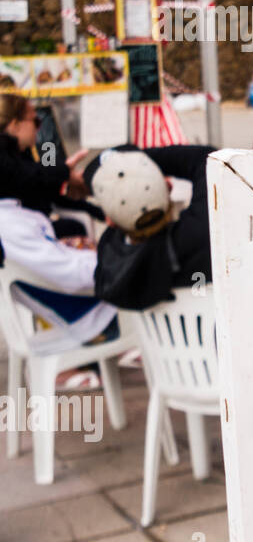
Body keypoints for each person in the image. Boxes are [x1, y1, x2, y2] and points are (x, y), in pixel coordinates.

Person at [83, 144, 216, 311]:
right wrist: (137, 158)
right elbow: (209, 160)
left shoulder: (111, 265)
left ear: (110, 221)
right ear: (169, 187)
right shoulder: (203, 232)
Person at [0, 191, 116, 353]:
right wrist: (121, 263)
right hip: (97, 317)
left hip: (87, 314)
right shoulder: (8, 226)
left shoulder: (9, 218)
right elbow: (74, 275)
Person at [0, 94, 94, 236]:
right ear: (15, 125)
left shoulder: (21, 151)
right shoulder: (10, 159)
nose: (38, 128)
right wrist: (63, 172)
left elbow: (43, 182)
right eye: (36, 122)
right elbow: (36, 174)